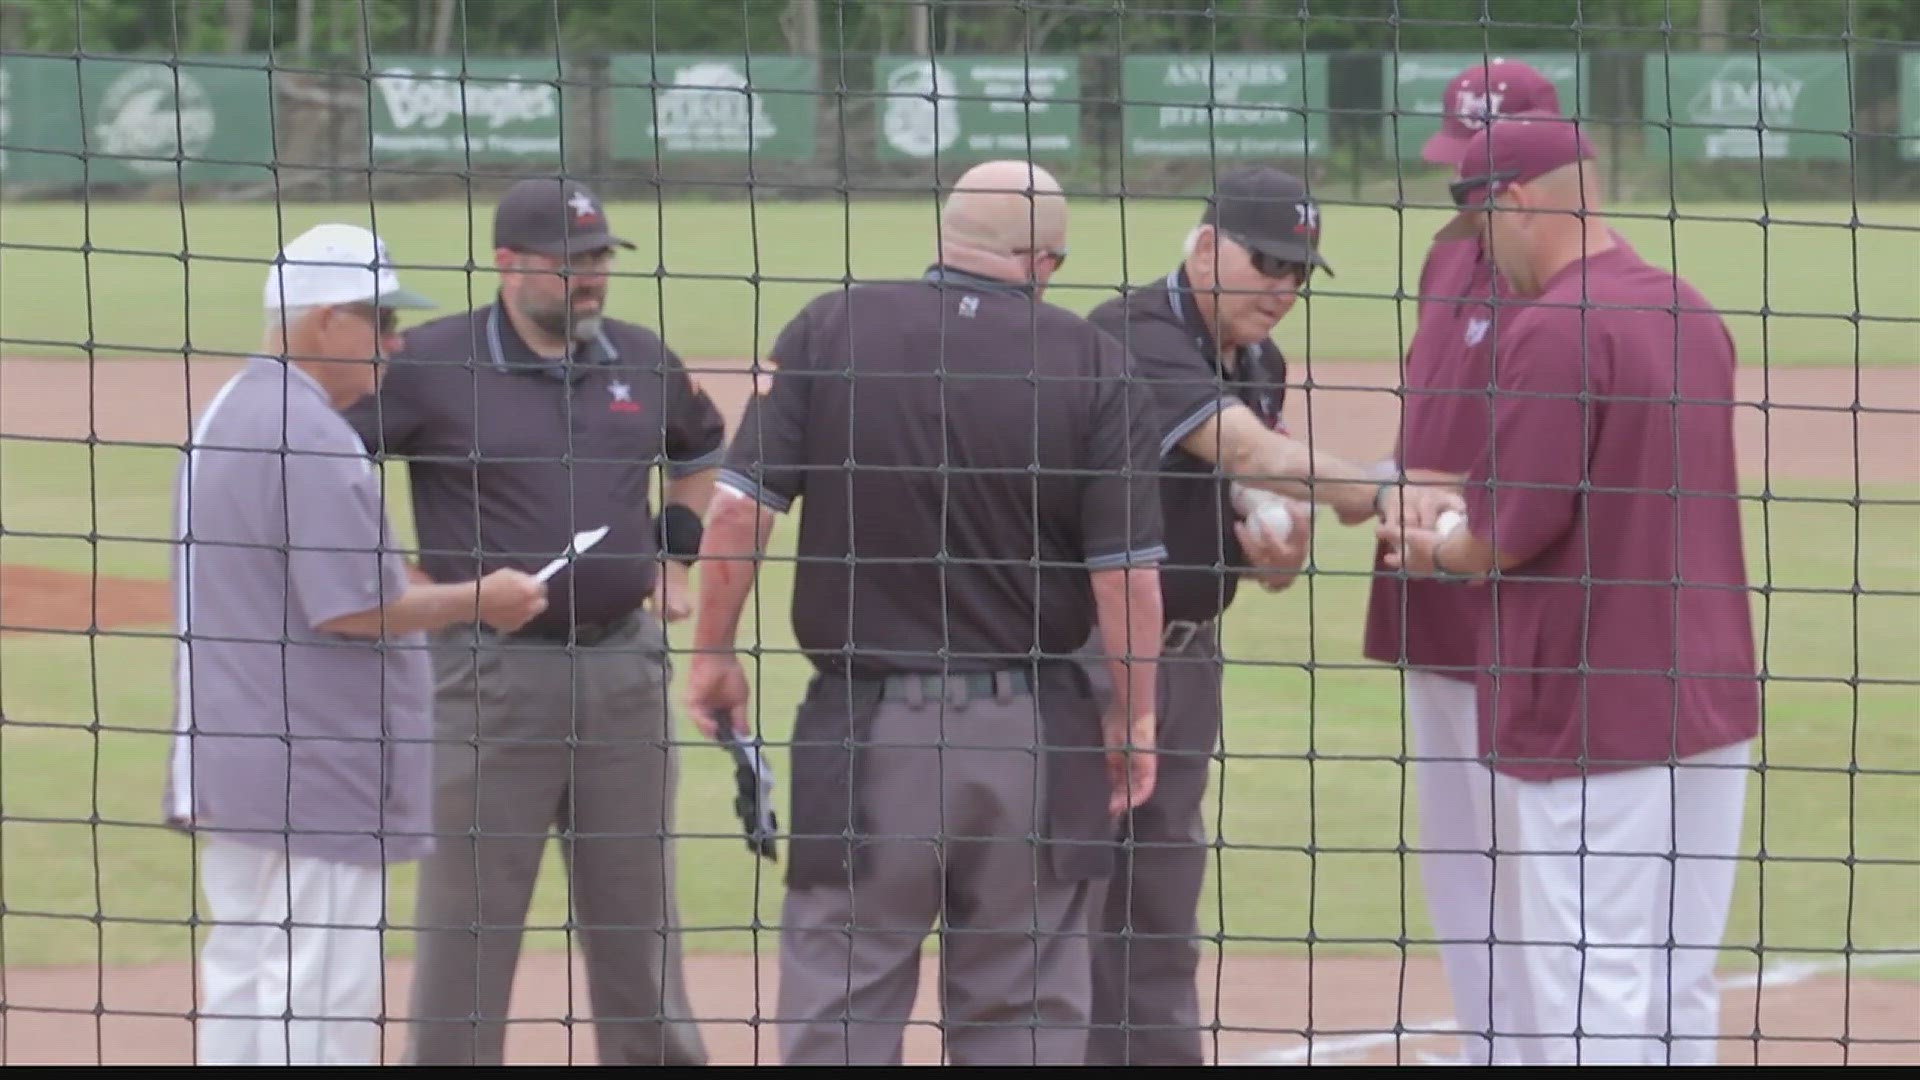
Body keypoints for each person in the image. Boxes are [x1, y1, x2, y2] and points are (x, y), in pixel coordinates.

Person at [684, 159, 1167, 1066]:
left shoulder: (832, 326)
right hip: (1034, 733)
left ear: (947, 236)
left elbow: (738, 512)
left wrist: (712, 654)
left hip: (864, 732)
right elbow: (1126, 583)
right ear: (1047, 260)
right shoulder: (1095, 360)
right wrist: (1135, 716)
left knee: (841, 1005)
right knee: (1022, 1016)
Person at [1379, 112, 1761, 1066]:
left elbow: (1511, 534)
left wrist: (1432, 542)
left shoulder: (1552, 327)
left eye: (1481, 229)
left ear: (1514, 203)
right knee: (1677, 970)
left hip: (1592, 704)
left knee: (1590, 974)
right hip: (1709, 691)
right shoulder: (1688, 308)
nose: (1483, 257)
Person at [340, 178, 727, 1066]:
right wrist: (390, 576)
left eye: (599, 259)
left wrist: (674, 551)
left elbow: (701, 450)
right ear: (509, 264)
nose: (591, 278)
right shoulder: (430, 365)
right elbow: (325, 456)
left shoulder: (639, 357)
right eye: (571, 262)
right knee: (468, 926)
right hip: (487, 679)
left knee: (638, 922)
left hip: (625, 676)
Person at [165, 223, 548, 1065]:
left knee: (242, 978)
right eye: (378, 321)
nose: (395, 341)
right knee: (323, 1003)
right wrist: (482, 599)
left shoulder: (234, 408)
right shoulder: (309, 434)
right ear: (325, 321)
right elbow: (353, 609)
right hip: (318, 769)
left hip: (238, 761)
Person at [1074, 164, 1362, 1066]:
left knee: (1159, 901)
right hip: (1083, 660)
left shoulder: (1259, 361)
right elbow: (1240, 445)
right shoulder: (1132, 334)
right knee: (1063, 886)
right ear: (1204, 246)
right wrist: (1387, 494)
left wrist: (1276, 555)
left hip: (1187, 658)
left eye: (1300, 272)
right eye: (1267, 262)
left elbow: (1245, 496)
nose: (1283, 289)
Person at [1362, 57, 1566, 1066]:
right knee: (1457, 855)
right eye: (1461, 166)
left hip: (1509, 597)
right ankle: (1494, 1046)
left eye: (1490, 172)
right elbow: (1430, 413)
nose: (1471, 190)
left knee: (1531, 857)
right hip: (1426, 592)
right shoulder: (1449, 255)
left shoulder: (1568, 283)